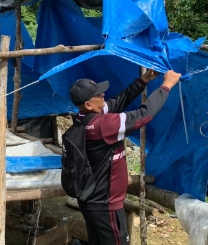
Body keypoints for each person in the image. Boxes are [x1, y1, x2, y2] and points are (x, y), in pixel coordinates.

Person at [68, 69, 181, 245]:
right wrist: (167, 86)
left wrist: (143, 81)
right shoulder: (104, 125)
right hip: (106, 205)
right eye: (98, 94)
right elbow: (144, 114)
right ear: (89, 104)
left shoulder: (84, 118)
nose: (103, 94)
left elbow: (116, 102)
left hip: (91, 200)